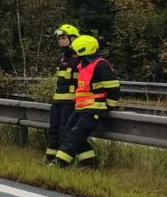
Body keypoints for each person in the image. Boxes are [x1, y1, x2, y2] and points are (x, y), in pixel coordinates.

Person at [52, 34, 120, 168]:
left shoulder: (101, 65)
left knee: (74, 135)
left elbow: (113, 89)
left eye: (77, 50)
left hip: (94, 109)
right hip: (80, 108)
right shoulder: (83, 64)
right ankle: (90, 164)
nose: (75, 53)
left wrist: (108, 107)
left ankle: (59, 164)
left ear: (84, 50)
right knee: (66, 133)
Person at [45, 23, 80, 162]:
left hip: (70, 102)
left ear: (72, 38)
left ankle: (63, 159)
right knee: (53, 129)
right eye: (59, 38)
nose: (60, 40)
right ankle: (50, 157)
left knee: (64, 130)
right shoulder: (62, 57)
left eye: (64, 37)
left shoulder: (79, 57)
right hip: (58, 101)